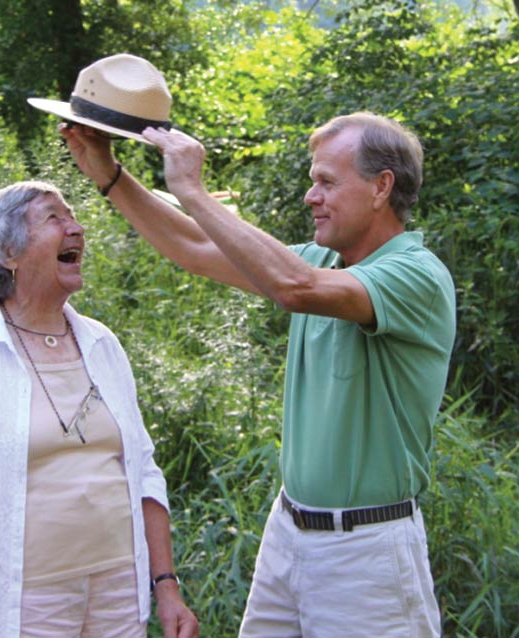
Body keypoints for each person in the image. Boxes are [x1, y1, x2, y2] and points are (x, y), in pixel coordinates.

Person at [50, 82, 456, 636]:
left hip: (367, 552)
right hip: (290, 530)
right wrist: (109, 174)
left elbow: (296, 286)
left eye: (326, 183)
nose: (311, 196)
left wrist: (193, 189)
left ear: (382, 187)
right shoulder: (320, 260)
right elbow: (193, 248)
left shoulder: (415, 274)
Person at [0, 179, 200, 638]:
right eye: (54, 218)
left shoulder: (102, 344)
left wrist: (166, 587)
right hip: (18, 603)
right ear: (8, 253)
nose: (76, 227)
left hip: (117, 593)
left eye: (72, 215)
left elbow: (143, 472)